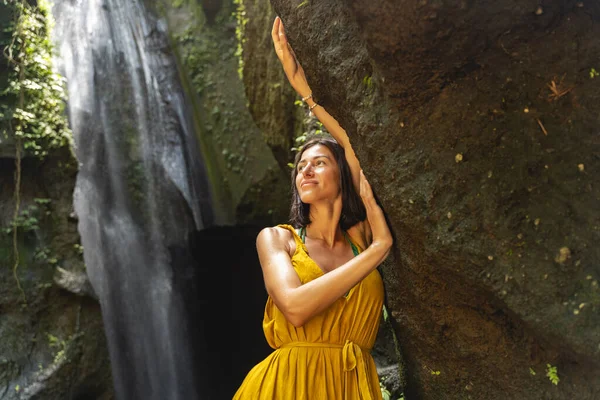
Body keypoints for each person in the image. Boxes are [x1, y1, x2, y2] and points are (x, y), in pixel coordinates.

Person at [232, 16, 393, 400]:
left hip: (350, 386)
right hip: (285, 386)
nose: (306, 169)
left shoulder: (359, 236)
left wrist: (302, 86)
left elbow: (353, 140)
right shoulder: (277, 240)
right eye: (301, 166)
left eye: (319, 162)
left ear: (342, 174)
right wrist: (379, 251)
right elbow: (295, 307)